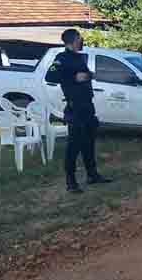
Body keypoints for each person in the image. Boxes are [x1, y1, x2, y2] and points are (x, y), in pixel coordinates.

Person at [45, 29, 111, 193]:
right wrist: (73, 78)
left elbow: (83, 75)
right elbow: (50, 76)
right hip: (74, 108)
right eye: (80, 38)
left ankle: (92, 175)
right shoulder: (62, 58)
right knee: (74, 145)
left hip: (87, 106)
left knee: (89, 142)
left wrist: (88, 75)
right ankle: (71, 181)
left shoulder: (79, 57)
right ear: (73, 40)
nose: (82, 41)